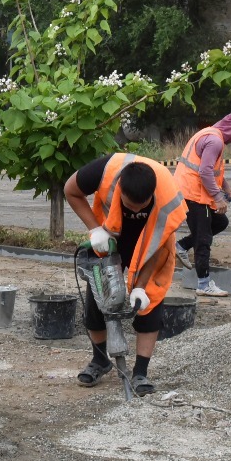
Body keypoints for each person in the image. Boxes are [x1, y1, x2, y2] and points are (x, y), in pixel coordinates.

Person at [64, 153, 186, 397]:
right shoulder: (103, 171)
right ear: (120, 191)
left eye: (141, 208)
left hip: (151, 244)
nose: (135, 211)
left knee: (149, 303)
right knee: (99, 297)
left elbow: (158, 247)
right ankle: (100, 360)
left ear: (152, 196)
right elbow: (70, 190)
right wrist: (95, 230)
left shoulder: (169, 200)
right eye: (130, 206)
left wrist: (140, 286)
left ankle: (140, 372)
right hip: (110, 237)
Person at [172, 112, 231, 297]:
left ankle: (182, 246)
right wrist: (218, 197)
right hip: (194, 194)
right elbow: (205, 172)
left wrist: (225, 185)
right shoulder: (214, 141)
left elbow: (211, 168)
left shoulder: (211, 134)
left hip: (190, 191)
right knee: (203, 239)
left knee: (220, 222)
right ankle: (204, 284)